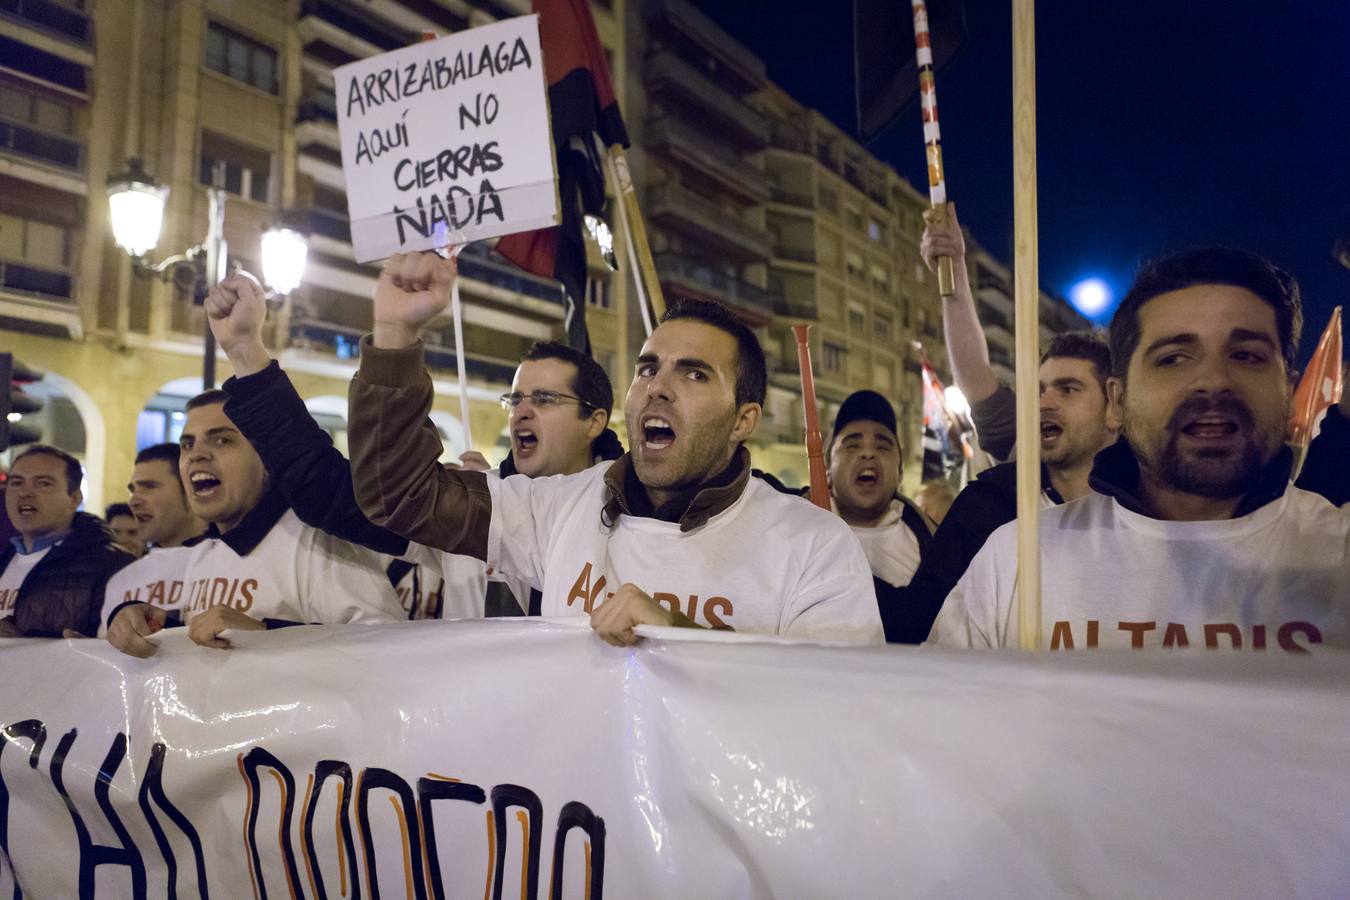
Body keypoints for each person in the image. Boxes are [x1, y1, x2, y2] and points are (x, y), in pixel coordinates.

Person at [349, 252, 882, 646]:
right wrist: (394, 335)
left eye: (694, 374)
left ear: (743, 420)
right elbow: (401, 495)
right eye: (647, 368)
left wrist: (679, 635)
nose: (658, 387)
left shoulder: (814, 546)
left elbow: (839, 709)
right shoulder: (560, 508)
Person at [930, 246, 1350, 650]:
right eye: (1173, 358)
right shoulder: (1017, 561)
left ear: (1288, 389)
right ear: (1118, 400)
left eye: (1246, 355)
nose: (1214, 380)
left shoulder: (1338, 557)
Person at [201, 273, 625, 620]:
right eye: (515, 399)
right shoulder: (468, 503)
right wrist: (245, 352)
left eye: (545, 399)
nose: (521, 413)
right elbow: (326, 491)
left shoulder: (635, 517)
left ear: (595, 421)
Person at [105, 391, 404, 657]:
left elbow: (388, 647)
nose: (197, 454)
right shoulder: (207, 549)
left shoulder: (319, 543)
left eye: (222, 440)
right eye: (187, 444)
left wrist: (266, 635)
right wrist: (148, 625)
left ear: (266, 460)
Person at [892, 333, 1119, 643]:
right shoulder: (984, 510)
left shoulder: (1158, 509)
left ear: (1114, 407)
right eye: (1039, 391)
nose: (1044, 404)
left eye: (1067, 389)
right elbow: (923, 619)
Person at [825, 390, 934, 639]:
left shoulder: (936, 545)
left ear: (900, 473)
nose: (868, 453)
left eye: (883, 446)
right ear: (827, 469)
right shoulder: (791, 534)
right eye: (852, 444)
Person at [0, 445, 132, 637]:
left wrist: (23, 644)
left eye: (43, 483)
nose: (25, 493)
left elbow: (119, 646)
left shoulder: (112, 565)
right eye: (16, 483)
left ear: (74, 498)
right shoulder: (4, 560)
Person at [97, 443, 205, 635]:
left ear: (191, 490)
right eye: (133, 490)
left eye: (149, 487)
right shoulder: (122, 580)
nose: (134, 501)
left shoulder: (231, 564)